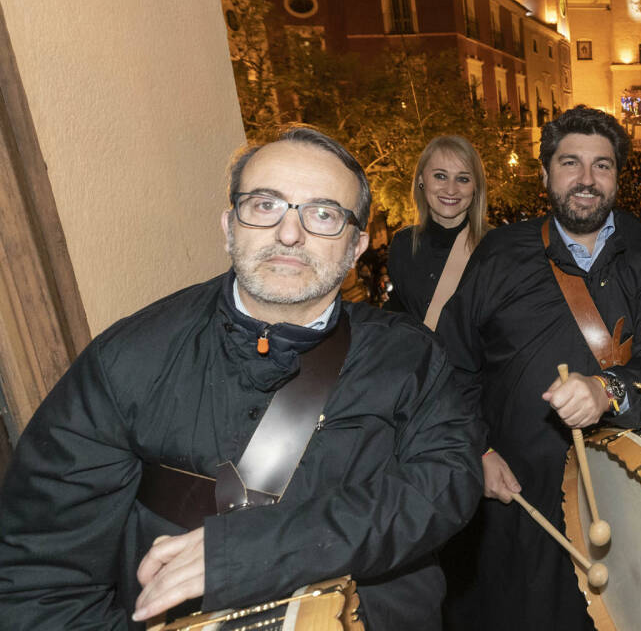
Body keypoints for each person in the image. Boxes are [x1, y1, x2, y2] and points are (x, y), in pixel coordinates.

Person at [0, 126, 483, 630]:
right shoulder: (130, 358)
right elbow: (40, 572)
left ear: (357, 244)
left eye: (323, 213)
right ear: (230, 224)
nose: (290, 234)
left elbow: (444, 484)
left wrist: (249, 551)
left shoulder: (407, 356)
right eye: (265, 204)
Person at [440, 106, 641, 631]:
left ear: (618, 175)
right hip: (518, 493)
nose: (587, 180)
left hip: (624, 495)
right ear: (547, 173)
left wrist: (608, 389)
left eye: (602, 166)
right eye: (570, 163)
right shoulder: (500, 254)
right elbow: (451, 365)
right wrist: (476, 451)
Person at [386, 135, 489, 329]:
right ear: (421, 180)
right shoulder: (403, 244)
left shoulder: (495, 248)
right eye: (440, 176)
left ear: (475, 188)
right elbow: (396, 317)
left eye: (463, 179)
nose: (451, 189)